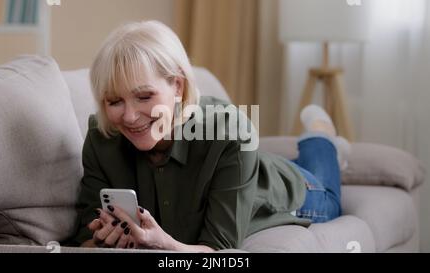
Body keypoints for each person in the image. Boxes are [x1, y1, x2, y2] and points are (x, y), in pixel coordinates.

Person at [72, 20, 350, 251]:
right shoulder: (101, 137)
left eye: (144, 96)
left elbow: (219, 251)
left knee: (327, 190)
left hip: (297, 191)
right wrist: (98, 241)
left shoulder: (230, 131)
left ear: (178, 87)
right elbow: (84, 236)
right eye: (114, 101)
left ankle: (320, 133)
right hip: (243, 167)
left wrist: (163, 245)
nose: (129, 117)